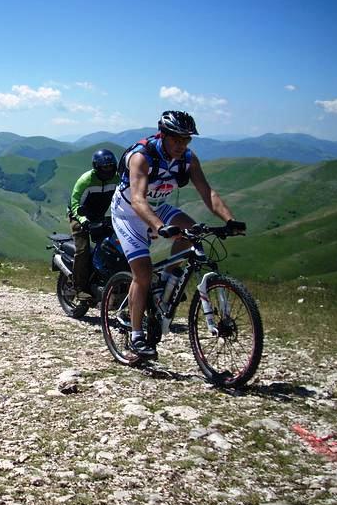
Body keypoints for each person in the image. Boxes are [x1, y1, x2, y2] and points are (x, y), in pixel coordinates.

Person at [111, 111, 245, 358]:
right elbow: (139, 200)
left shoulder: (188, 159)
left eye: (186, 140)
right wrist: (159, 226)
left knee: (192, 233)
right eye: (176, 140)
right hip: (128, 212)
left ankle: (167, 282)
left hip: (158, 207)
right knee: (142, 272)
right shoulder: (142, 157)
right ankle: (136, 335)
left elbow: (208, 193)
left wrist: (230, 220)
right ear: (163, 135)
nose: (181, 145)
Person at [68, 148, 118, 303]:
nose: (108, 169)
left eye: (110, 166)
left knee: (113, 247)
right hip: (79, 216)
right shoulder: (86, 180)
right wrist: (84, 221)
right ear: (97, 167)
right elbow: (75, 203)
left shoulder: (116, 179)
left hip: (100, 216)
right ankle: (79, 288)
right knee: (82, 250)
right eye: (105, 167)